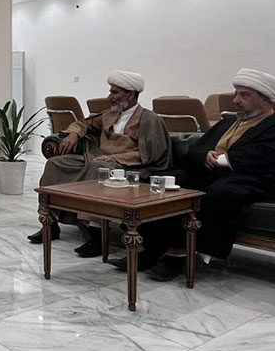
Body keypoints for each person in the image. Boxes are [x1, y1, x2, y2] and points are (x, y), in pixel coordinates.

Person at [133, 68, 275, 281]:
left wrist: (224, 160)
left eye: (244, 95)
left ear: (266, 99)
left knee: (216, 193)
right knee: (170, 183)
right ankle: (152, 247)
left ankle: (179, 253)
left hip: (255, 179)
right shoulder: (228, 123)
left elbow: (264, 157)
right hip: (215, 174)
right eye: (236, 94)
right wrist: (204, 156)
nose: (236, 100)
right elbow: (196, 149)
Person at [30, 70, 172, 256]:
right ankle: (50, 222)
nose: (109, 97)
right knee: (56, 164)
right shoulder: (110, 115)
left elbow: (152, 153)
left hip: (125, 164)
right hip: (97, 157)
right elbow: (84, 123)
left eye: (114, 92)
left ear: (130, 94)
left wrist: (115, 158)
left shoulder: (149, 119)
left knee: (99, 169)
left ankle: (96, 235)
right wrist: (74, 134)